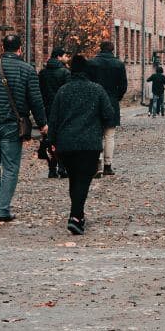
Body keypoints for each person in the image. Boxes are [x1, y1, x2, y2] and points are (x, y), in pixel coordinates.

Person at [0, 33, 46, 222]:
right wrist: (42, 124)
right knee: (10, 167)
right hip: (11, 125)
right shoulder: (27, 70)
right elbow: (35, 100)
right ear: (20, 49)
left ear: (2, 49)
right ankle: (3, 208)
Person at [48, 55, 116, 235]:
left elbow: (53, 119)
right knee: (83, 180)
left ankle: (78, 214)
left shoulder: (63, 91)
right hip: (89, 143)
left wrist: (52, 142)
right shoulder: (97, 90)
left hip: (66, 143)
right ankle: (76, 216)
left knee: (74, 179)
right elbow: (109, 116)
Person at [87, 40, 127, 176]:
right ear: (112, 50)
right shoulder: (119, 64)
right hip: (111, 100)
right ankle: (108, 165)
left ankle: (96, 165)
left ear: (100, 49)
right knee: (109, 135)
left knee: (96, 134)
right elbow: (123, 86)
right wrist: (116, 97)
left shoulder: (91, 63)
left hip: (95, 101)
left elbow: (87, 82)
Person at [38, 47, 71, 178]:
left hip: (47, 110)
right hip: (62, 111)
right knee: (62, 140)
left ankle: (52, 168)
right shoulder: (65, 72)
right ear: (58, 57)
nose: (66, 58)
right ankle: (62, 168)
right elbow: (68, 93)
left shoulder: (43, 73)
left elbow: (39, 93)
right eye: (64, 56)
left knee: (49, 140)